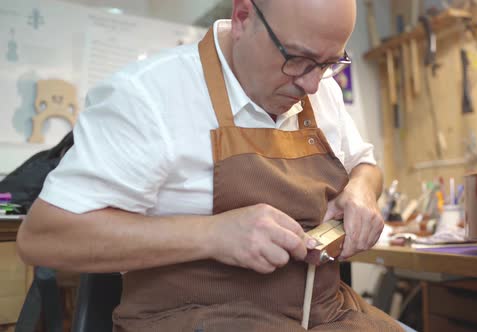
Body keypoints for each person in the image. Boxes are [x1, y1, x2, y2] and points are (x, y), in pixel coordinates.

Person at [17, 0, 413, 331]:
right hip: (199, 320)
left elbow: (365, 164)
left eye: (329, 63)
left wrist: (361, 189)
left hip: (330, 316)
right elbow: (43, 238)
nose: (312, 84)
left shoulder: (320, 89)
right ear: (243, 17)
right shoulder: (149, 96)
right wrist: (212, 235)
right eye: (298, 59)